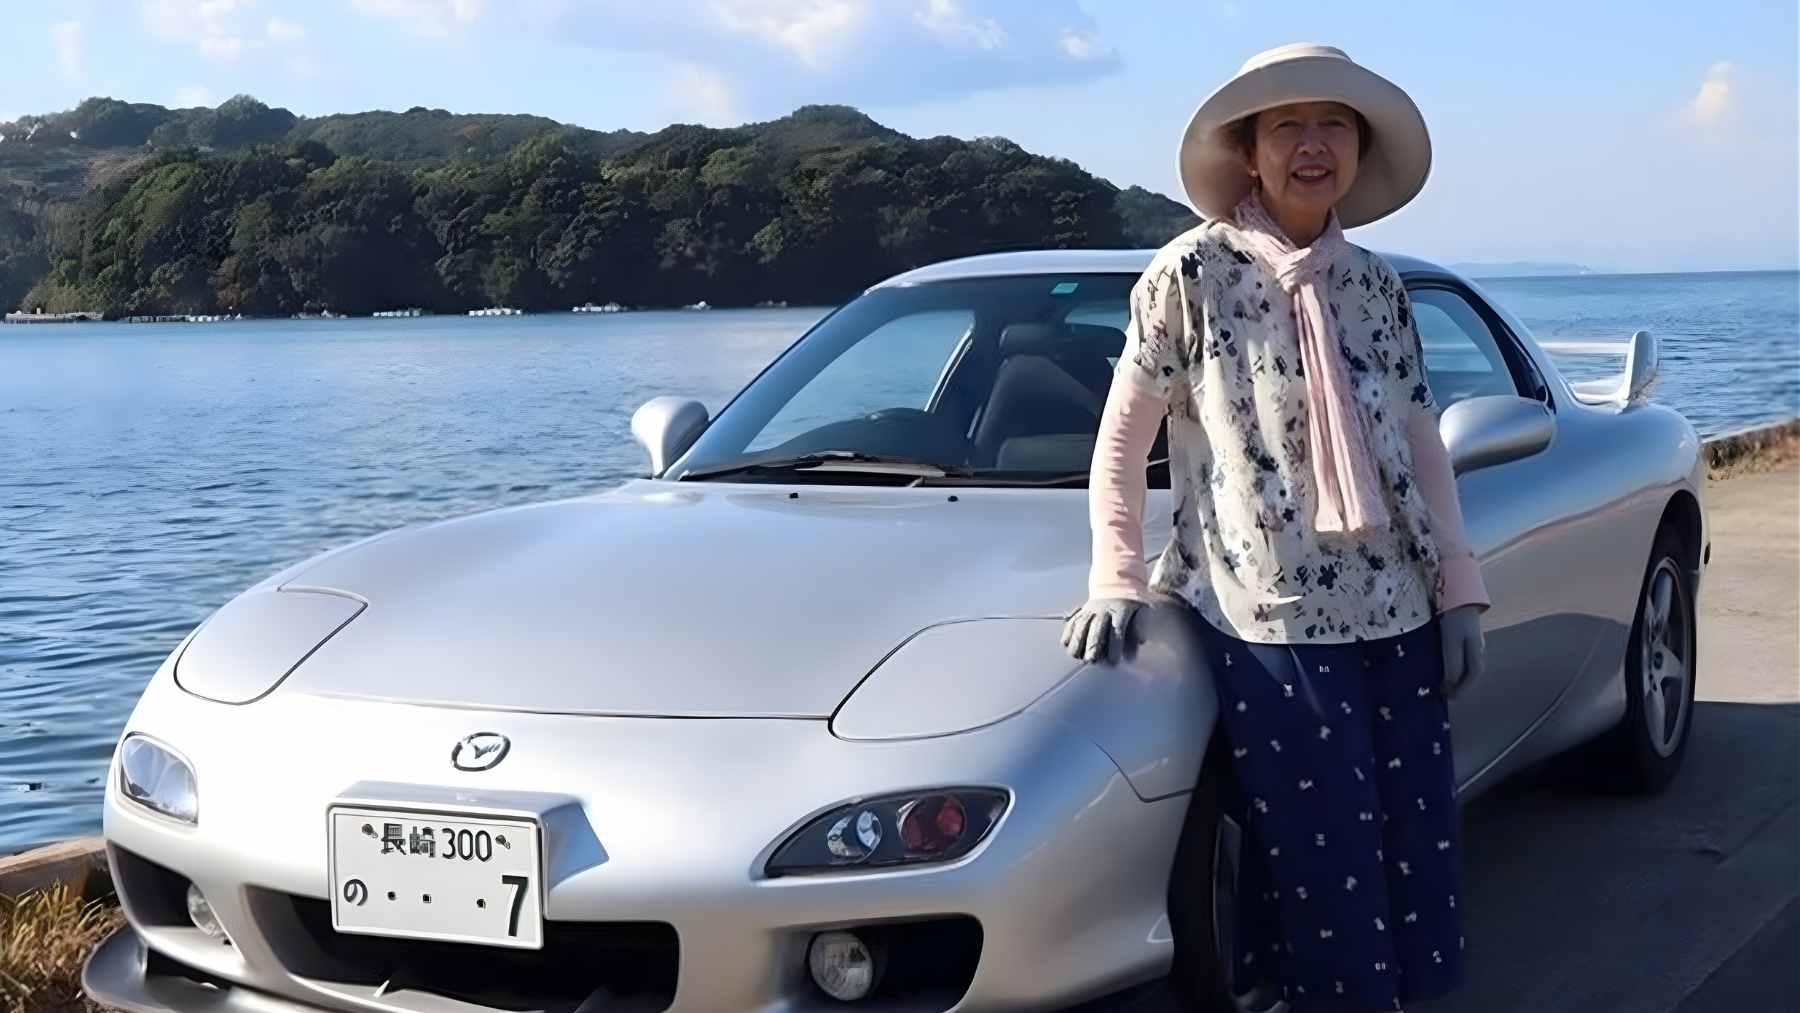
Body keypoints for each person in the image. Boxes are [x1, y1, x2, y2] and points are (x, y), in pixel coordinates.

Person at [1060, 43, 1490, 1012]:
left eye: (1332, 124)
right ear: (1248, 152)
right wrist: (1115, 574)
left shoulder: (1377, 286)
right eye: (1285, 125)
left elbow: (1422, 445)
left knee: (1415, 849)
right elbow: (1124, 440)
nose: (1311, 145)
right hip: (1272, 617)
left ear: (1358, 148)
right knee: (1325, 857)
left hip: (1398, 606)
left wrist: (1459, 587)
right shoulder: (1188, 275)